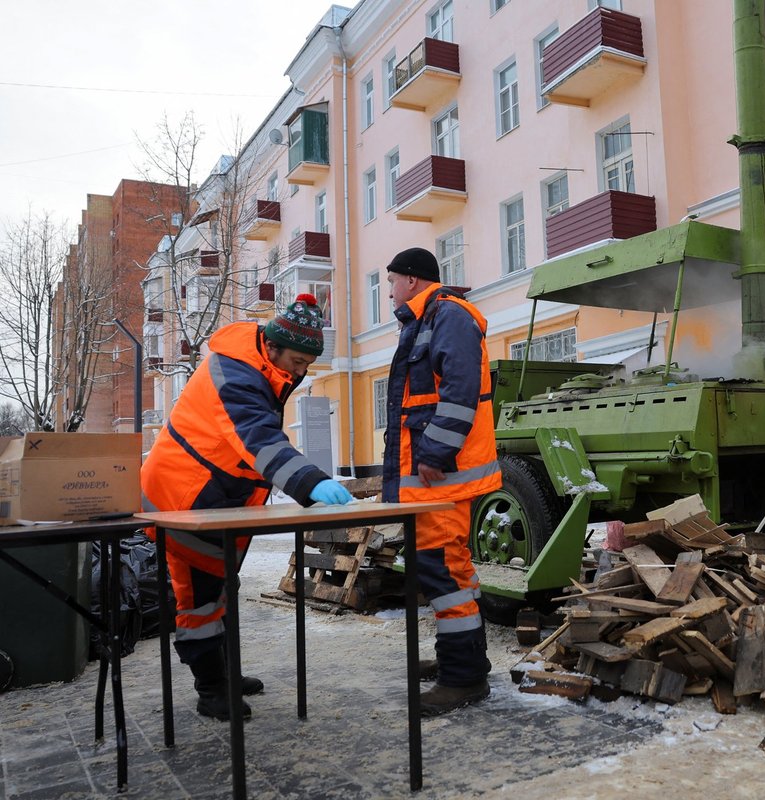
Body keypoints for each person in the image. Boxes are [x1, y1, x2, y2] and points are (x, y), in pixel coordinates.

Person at [141, 294, 353, 720]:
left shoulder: (260, 364)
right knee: (199, 598)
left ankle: (222, 673)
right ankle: (212, 691)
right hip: (184, 500)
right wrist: (312, 482)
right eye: (297, 360)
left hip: (217, 501)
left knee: (220, 590)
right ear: (273, 346)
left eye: (308, 363)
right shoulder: (236, 372)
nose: (301, 371)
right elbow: (257, 438)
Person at [382, 247, 502, 715]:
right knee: (451, 569)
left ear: (411, 280)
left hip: (441, 475)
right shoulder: (428, 317)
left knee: (443, 571)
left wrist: (434, 450)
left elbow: (459, 390)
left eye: (392, 280)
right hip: (435, 477)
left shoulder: (447, 314)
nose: (390, 289)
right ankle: (466, 657)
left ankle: (464, 679)